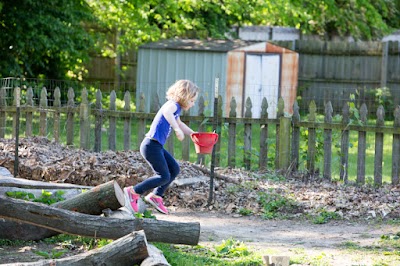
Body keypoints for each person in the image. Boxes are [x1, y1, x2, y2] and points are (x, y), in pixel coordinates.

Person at [124, 79, 199, 215]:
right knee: (163, 176)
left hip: (156, 146)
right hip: (151, 145)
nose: (193, 104)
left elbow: (180, 123)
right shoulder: (173, 105)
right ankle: (133, 191)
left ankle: (156, 196)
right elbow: (167, 113)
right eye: (192, 100)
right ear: (185, 96)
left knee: (174, 169)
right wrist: (176, 130)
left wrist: (193, 134)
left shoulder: (177, 108)